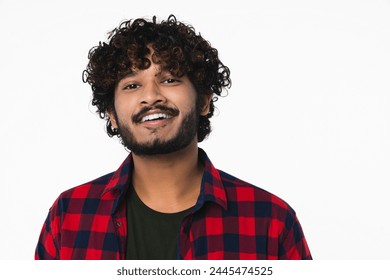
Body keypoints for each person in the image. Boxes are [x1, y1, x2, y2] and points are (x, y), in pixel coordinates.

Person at [35, 15, 312, 260]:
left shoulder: (270, 220)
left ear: (203, 101)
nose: (151, 96)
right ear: (113, 115)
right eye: (132, 85)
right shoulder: (68, 216)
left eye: (169, 79)